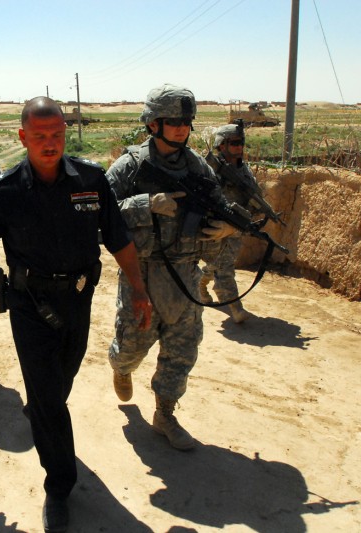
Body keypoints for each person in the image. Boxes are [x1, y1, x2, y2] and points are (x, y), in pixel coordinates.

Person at [0, 96, 151, 533]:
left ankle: (43, 411)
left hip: (78, 301)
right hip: (29, 306)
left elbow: (119, 239)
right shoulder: (4, 193)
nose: (50, 144)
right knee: (48, 398)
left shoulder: (91, 180)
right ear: (23, 136)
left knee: (59, 384)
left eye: (58, 135)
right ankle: (59, 486)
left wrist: (138, 289)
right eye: (40, 136)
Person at [106, 83, 236, 451]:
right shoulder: (128, 167)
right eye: (173, 120)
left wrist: (226, 228)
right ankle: (121, 366)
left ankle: (165, 413)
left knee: (183, 349)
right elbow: (95, 215)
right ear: (153, 124)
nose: (181, 127)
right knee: (132, 346)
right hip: (141, 274)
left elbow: (218, 206)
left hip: (185, 275)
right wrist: (144, 203)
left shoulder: (197, 166)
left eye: (186, 121)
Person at [199, 122, 262, 323]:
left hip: (235, 227)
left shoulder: (245, 171)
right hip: (215, 227)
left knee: (219, 264)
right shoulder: (209, 169)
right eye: (234, 143)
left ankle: (200, 282)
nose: (239, 147)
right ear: (222, 144)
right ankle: (236, 307)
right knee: (224, 267)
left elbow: (254, 198)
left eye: (241, 142)